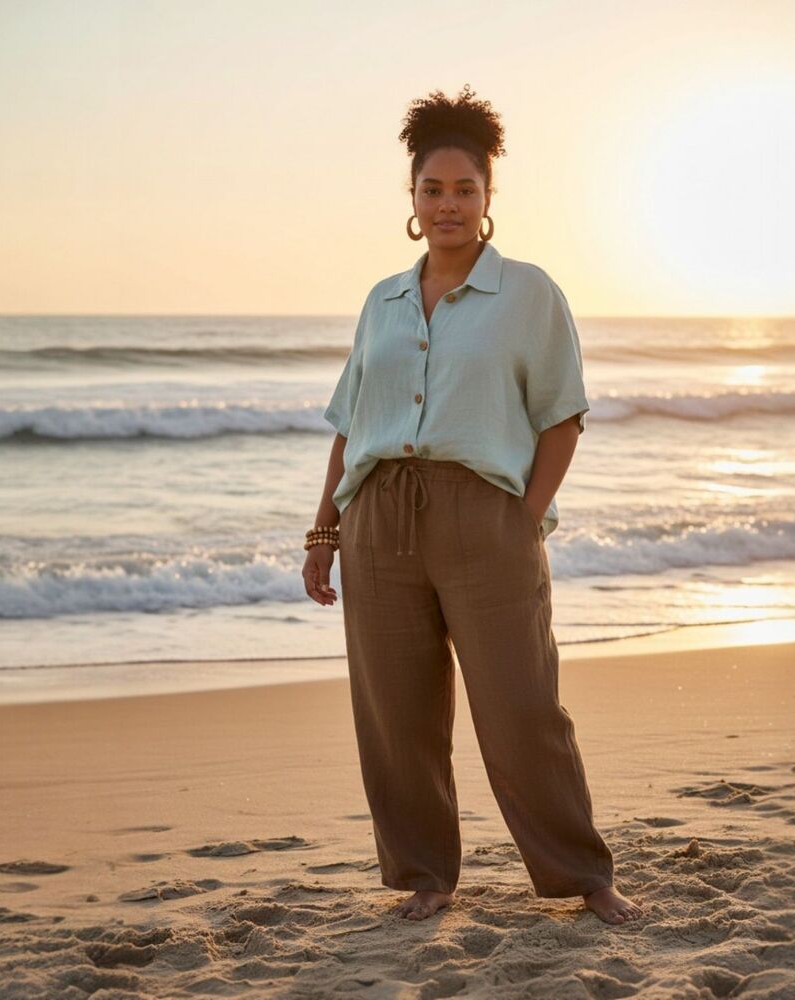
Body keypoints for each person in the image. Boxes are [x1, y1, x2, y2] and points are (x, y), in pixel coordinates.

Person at [302, 84, 645, 927]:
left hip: (484, 514)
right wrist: (324, 530)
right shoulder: (381, 300)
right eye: (432, 190)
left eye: (464, 189)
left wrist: (522, 519)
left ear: (489, 198)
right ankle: (426, 875)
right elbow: (352, 424)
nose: (448, 204)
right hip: (379, 517)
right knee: (396, 712)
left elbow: (562, 416)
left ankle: (582, 874)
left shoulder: (529, 294)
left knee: (521, 704)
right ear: (411, 201)